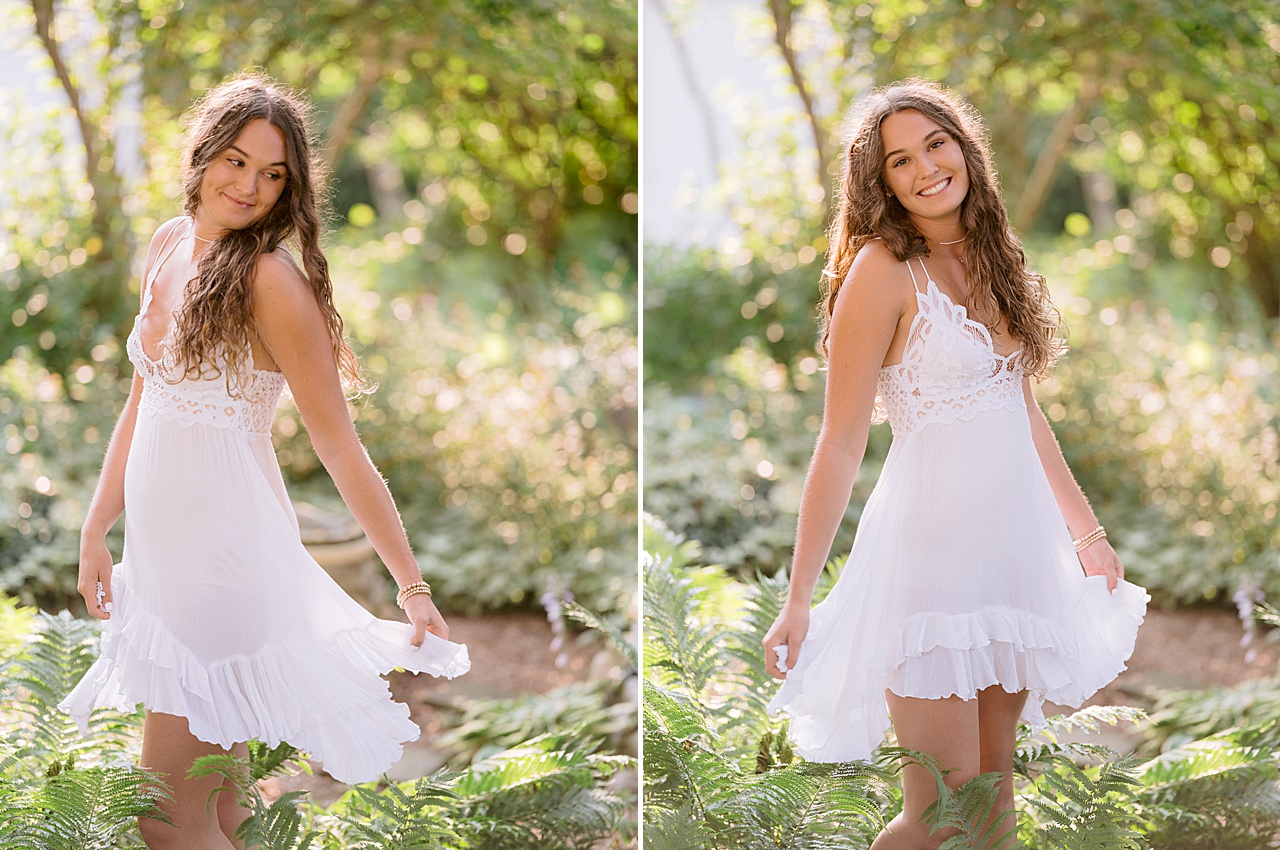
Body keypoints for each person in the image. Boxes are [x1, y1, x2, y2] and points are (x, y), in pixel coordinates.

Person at [57, 73, 470, 849]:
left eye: (272, 173)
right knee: (222, 812)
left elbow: (341, 448)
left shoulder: (270, 282)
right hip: (162, 559)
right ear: (204, 153)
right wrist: (96, 526)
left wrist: (411, 586)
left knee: (165, 822)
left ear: (291, 188)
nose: (249, 186)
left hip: (223, 569)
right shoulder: (170, 243)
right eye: (236, 161)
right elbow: (143, 399)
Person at [762, 78, 1147, 848]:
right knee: (940, 810)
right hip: (929, 569)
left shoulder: (992, 253)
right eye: (900, 160)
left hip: (1009, 560)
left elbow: (1024, 411)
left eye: (935, 144)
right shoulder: (880, 271)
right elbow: (840, 443)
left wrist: (1087, 534)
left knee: (995, 800)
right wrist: (800, 595)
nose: (926, 167)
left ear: (963, 147)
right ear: (881, 183)